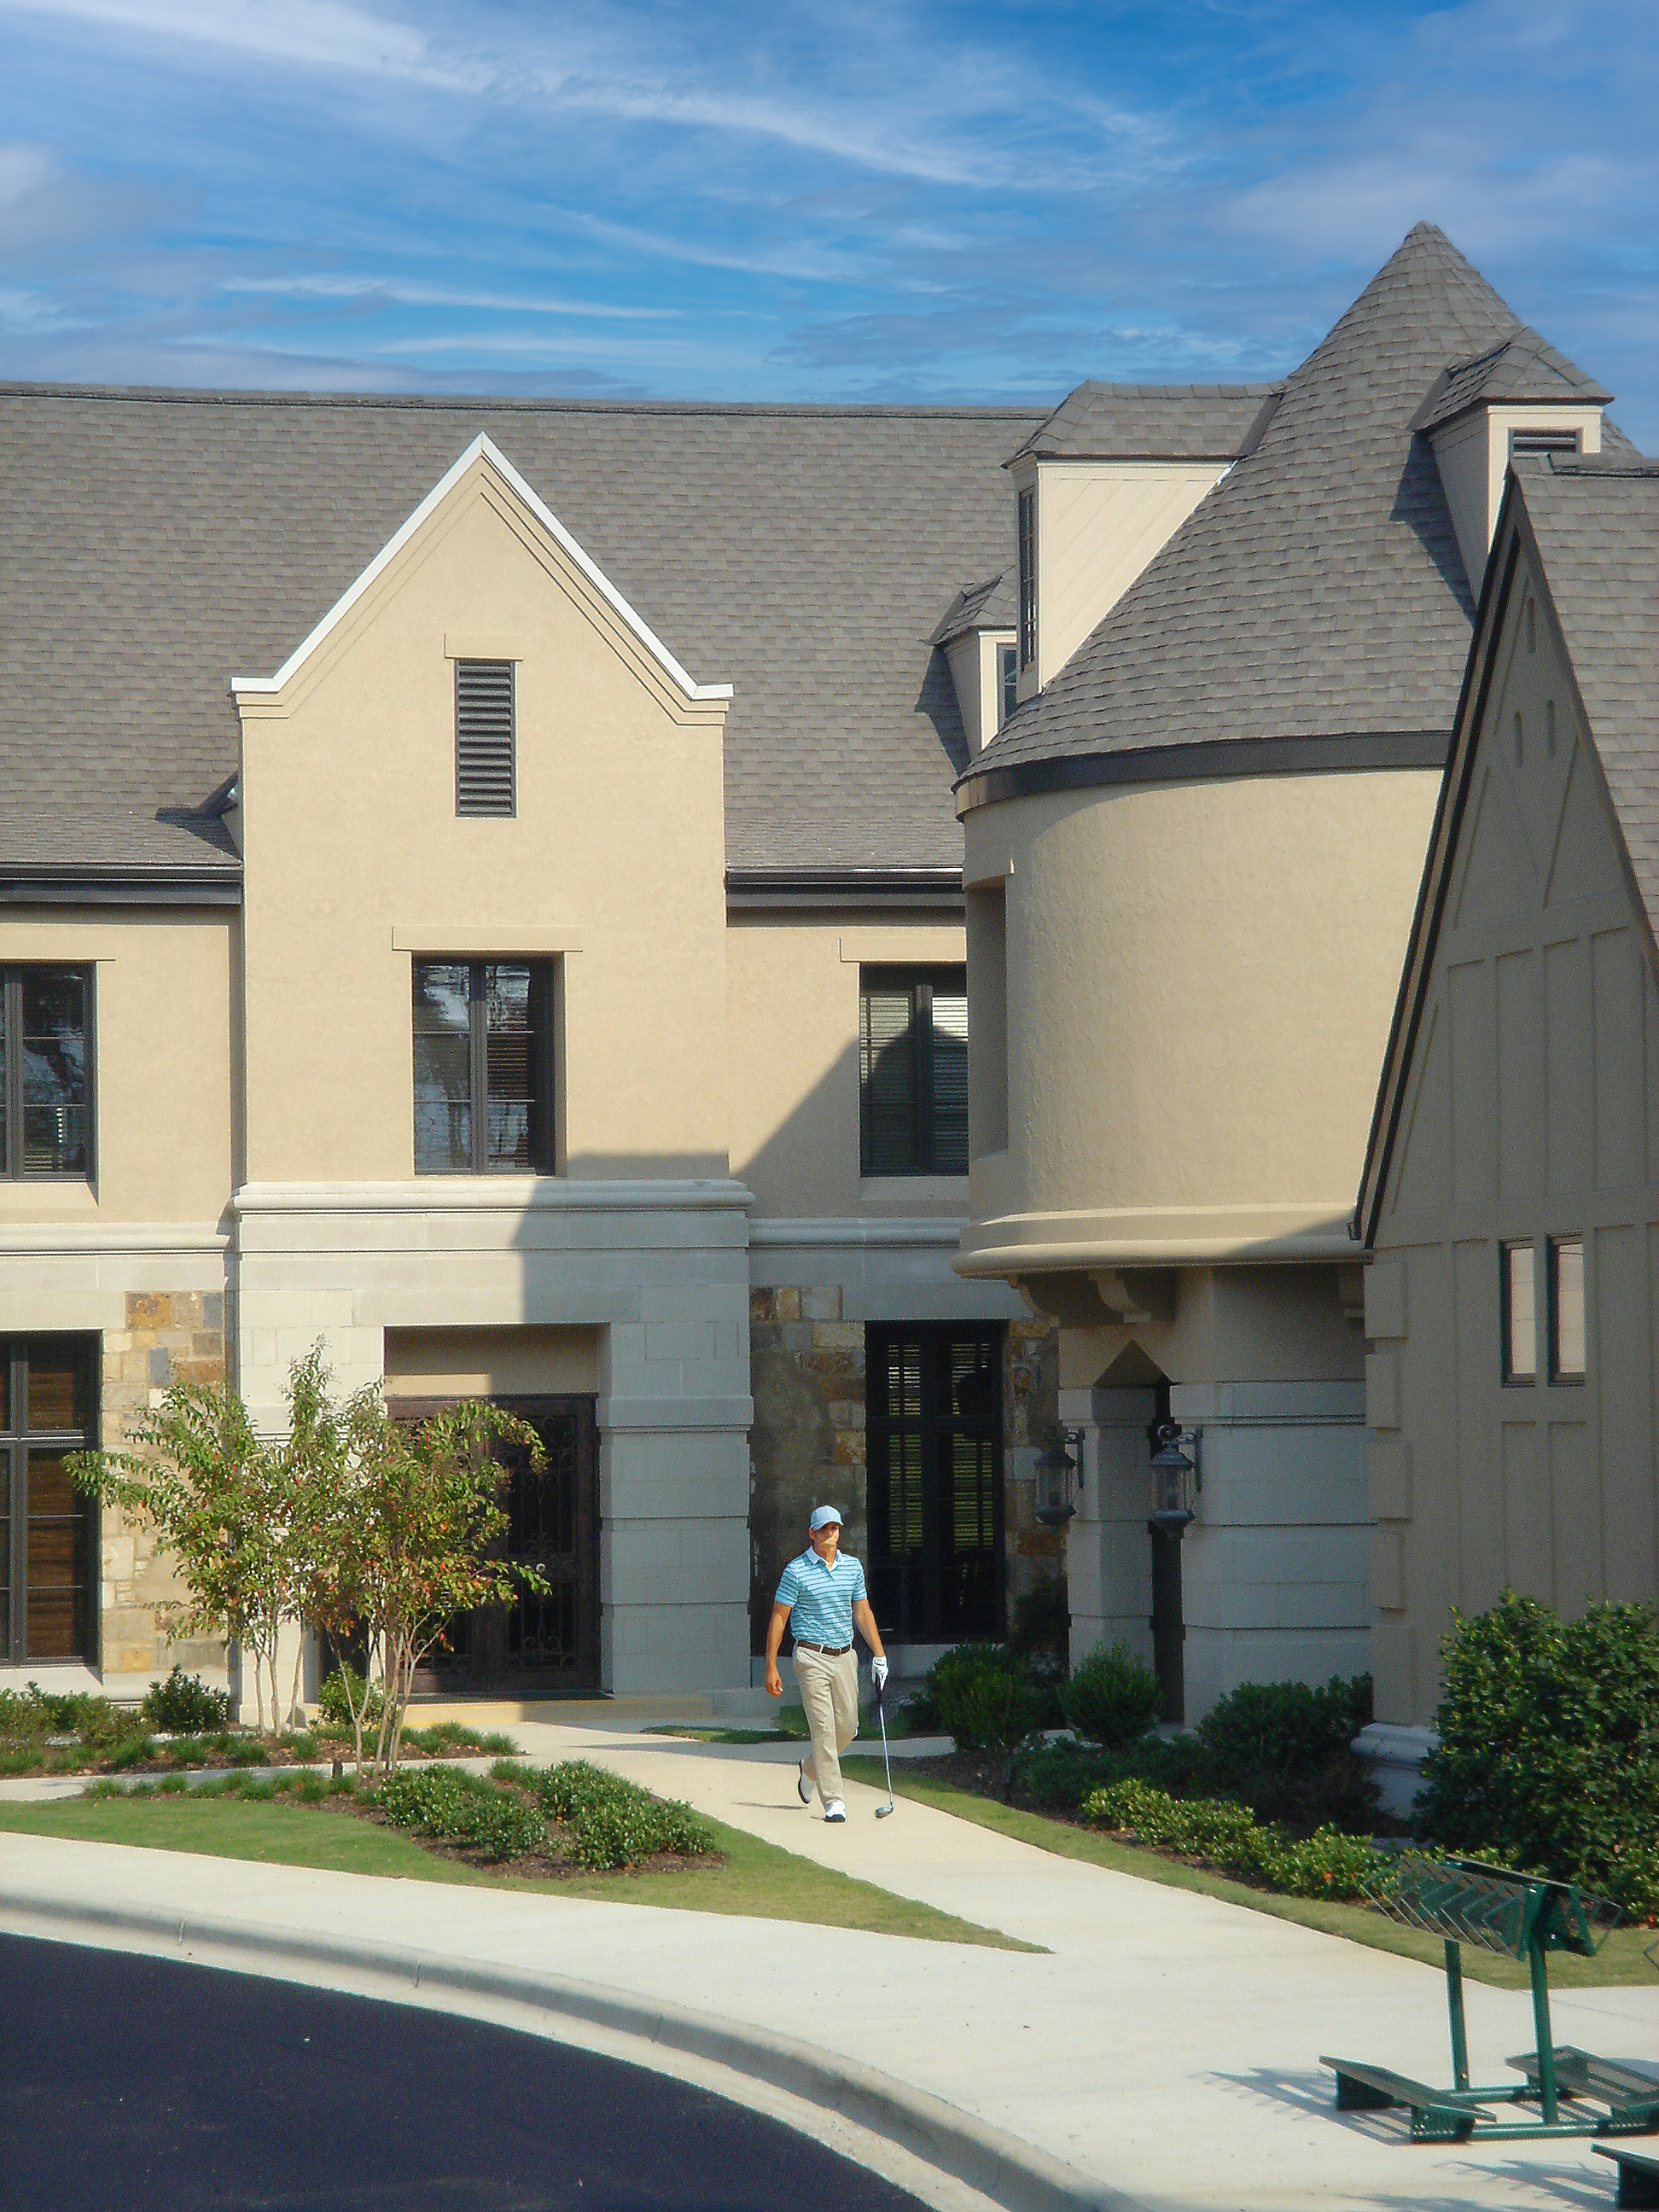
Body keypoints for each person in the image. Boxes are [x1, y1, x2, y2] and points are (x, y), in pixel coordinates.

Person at [764, 1504, 888, 1824]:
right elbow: (779, 1618)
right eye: (823, 1529)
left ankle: (809, 1768)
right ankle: (834, 1801)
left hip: (845, 1655)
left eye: (834, 1529)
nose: (829, 1534)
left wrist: (880, 1654)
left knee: (848, 1727)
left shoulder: (852, 1568)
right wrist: (771, 1665)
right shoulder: (796, 1570)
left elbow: (862, 1612)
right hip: (810, 1656)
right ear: (812, 1534)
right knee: (822, 1729)